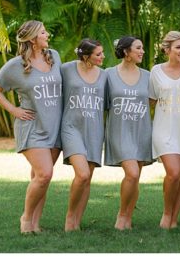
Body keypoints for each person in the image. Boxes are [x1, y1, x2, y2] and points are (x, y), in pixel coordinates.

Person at [0, 20, 63, 233]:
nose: (47, 34)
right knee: (45, 174)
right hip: (31, 127)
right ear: (32, 39)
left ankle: (35, 225)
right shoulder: (15, 65)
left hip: (54, 126)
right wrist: (14, 110)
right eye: (43, 32)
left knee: (40, 179)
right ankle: (26, 218)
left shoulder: (54, 56)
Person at [150, 30, 180, 229]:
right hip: (164, 128)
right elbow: (151, 100)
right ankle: (166, 213)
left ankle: (174, 218)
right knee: (174, 173)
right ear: (167, 49)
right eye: (178, 47)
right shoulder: (156, 71)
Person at [105, 36, 154, 230]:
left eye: (142, 47)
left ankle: (128, 217)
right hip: (119, 131)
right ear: (126, 52)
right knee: (132, 174)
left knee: (135, 177)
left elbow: (153, 101)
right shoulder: (108, 74)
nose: (142, 51)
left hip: (141, 131)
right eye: (138, 48)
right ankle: (122, 214)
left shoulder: (148, 76)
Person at [59, 39, 107, 231]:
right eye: (98, 54)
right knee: (82, 174)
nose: (103, 56)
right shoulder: (66, 69)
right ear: (86, 56)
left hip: (95, 129)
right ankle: (70, 217)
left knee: (88, 178)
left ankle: (77, 221)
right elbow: (49, 85)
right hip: (71, 127)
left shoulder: (104, 75)